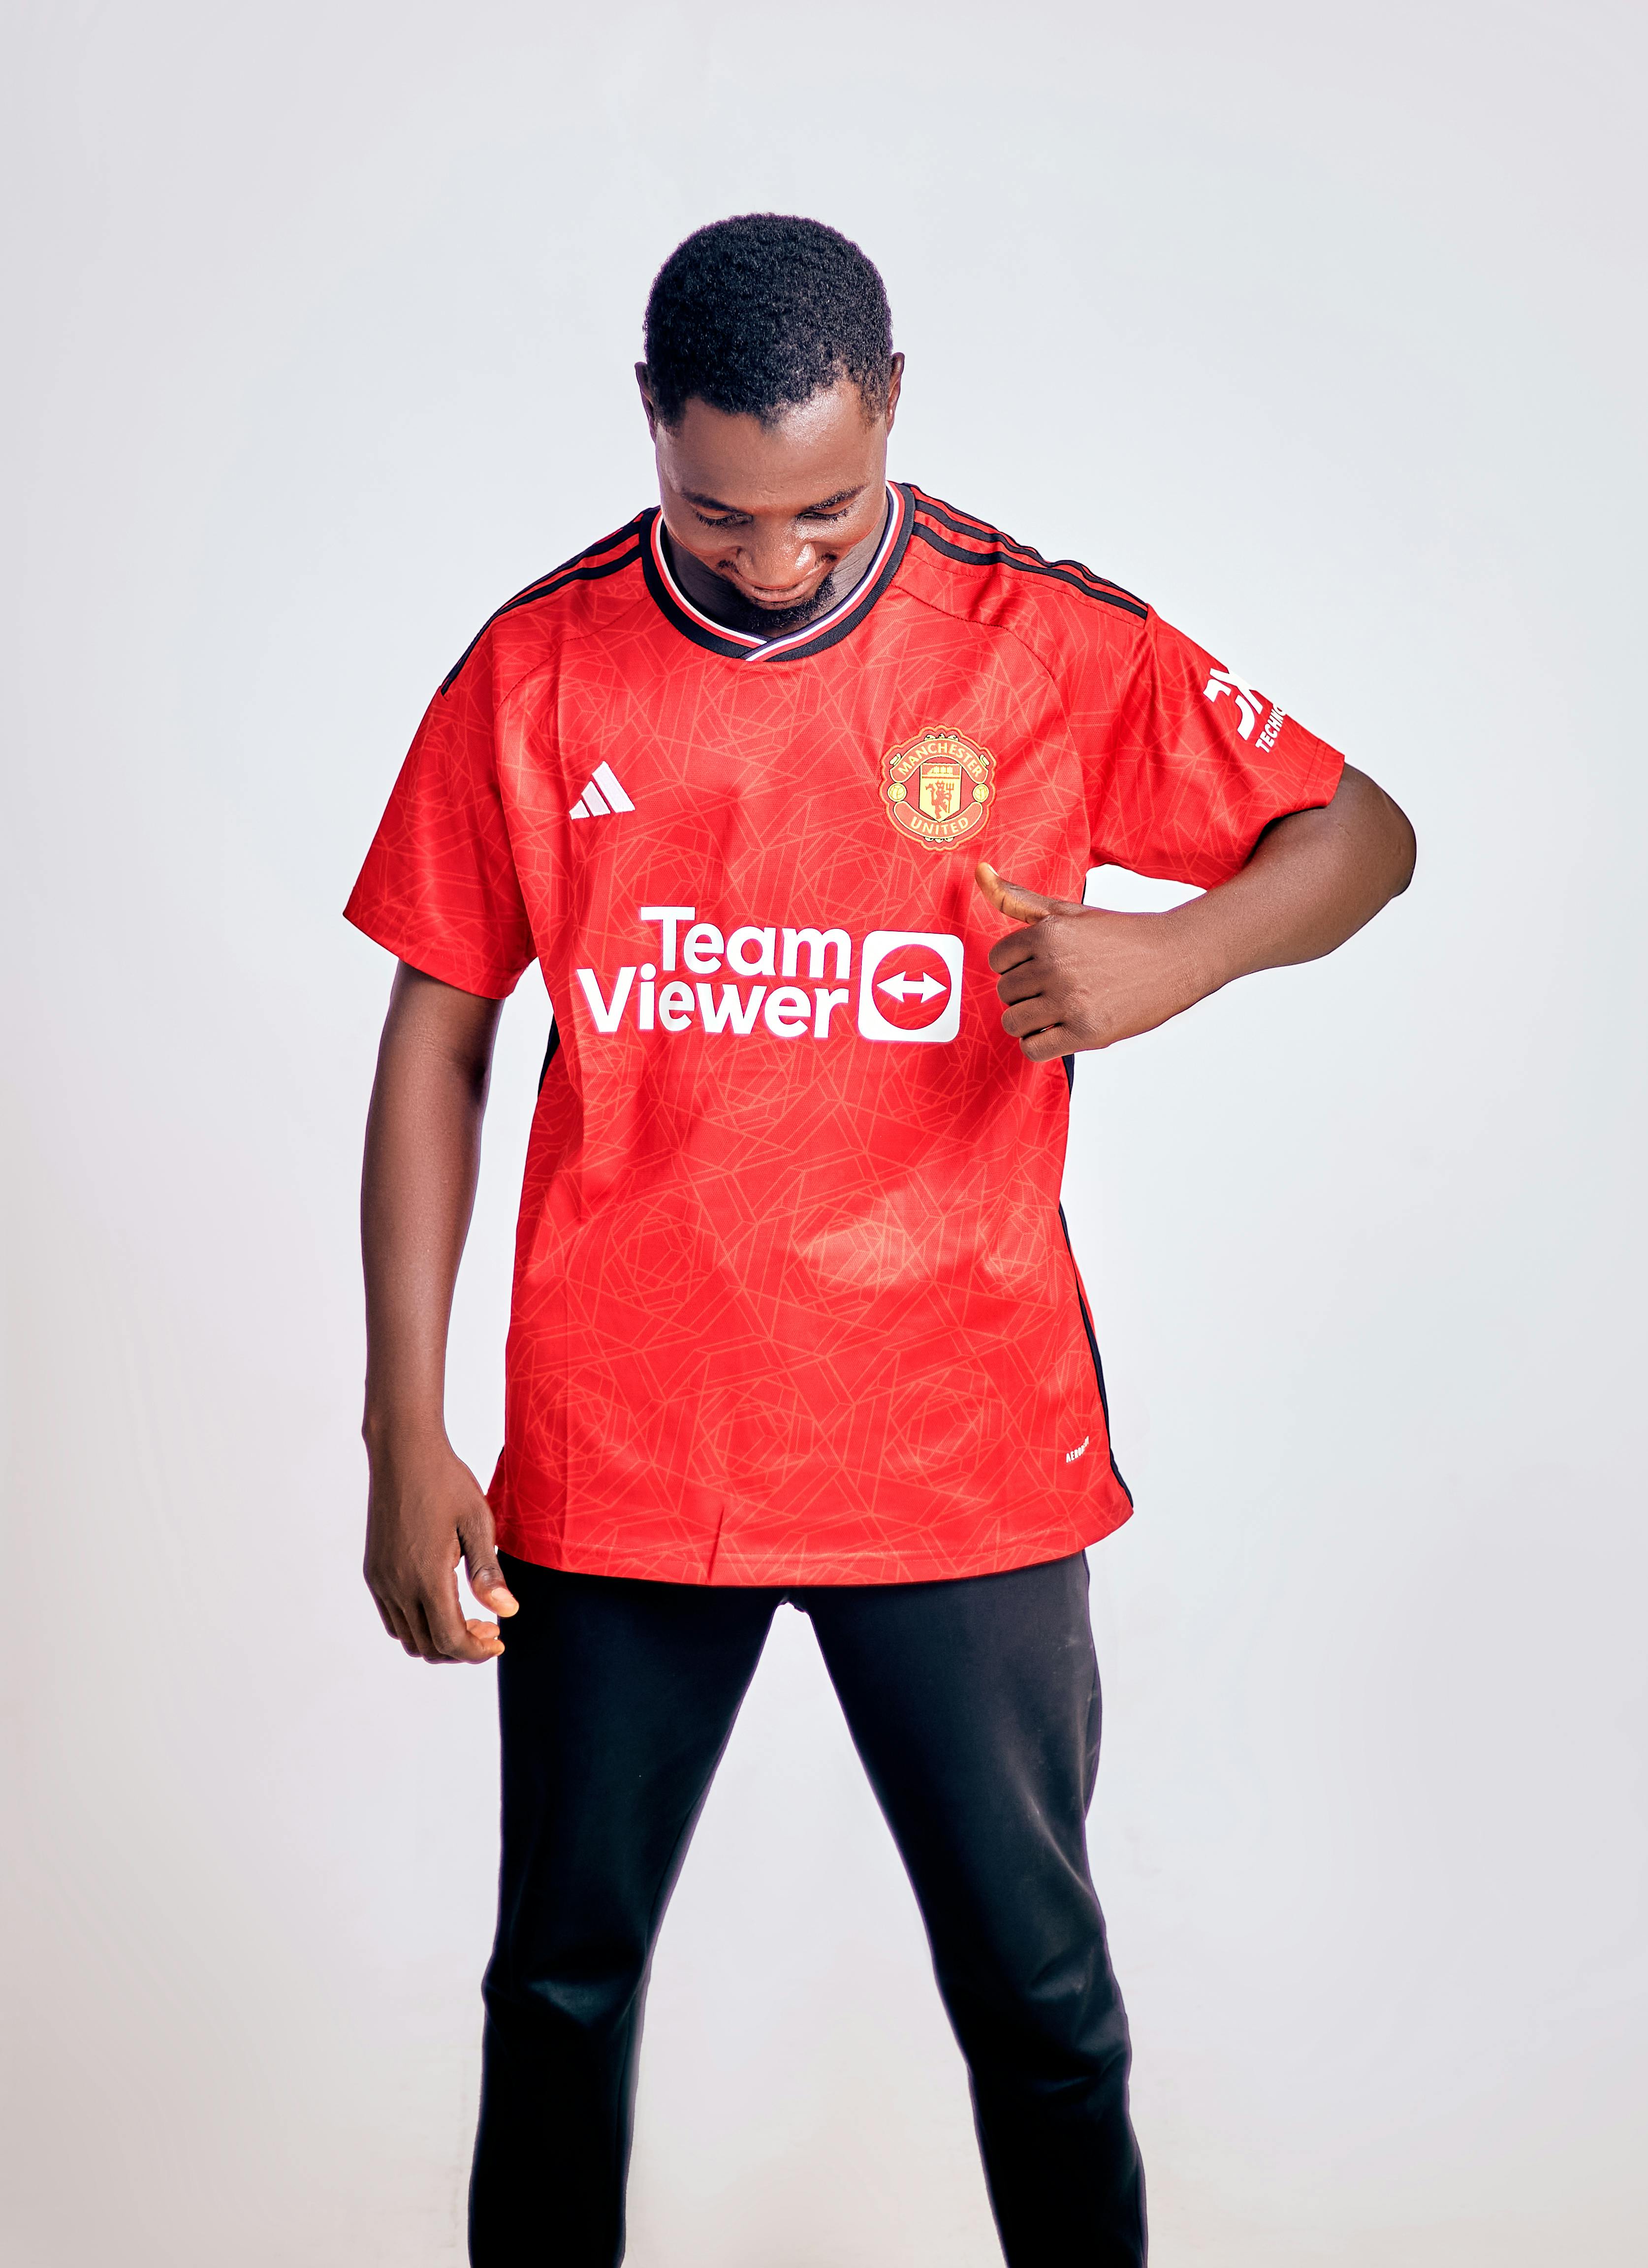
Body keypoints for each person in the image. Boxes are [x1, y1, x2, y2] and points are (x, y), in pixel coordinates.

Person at [347, 213, 1416, 2268]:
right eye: (719, 509)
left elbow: (1360, 830)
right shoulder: (538, 663)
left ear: (898, 409)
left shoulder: (1040, 642)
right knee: (558, 1991)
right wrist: (404, 1427)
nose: (774, 557)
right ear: (650, 427)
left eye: (826, 507)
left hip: (963, 1453)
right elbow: (437, 1036)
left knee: (1039, 2004)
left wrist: (1173, 955)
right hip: (624, 1453)